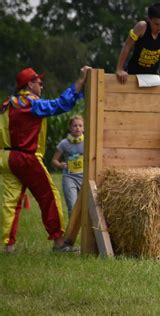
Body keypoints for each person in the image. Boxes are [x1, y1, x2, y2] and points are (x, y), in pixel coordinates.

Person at [0, 65, 91, 253]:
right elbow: (60, 105)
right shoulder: (32, 103)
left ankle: (8, 247)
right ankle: (59, 243)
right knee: (48, 196)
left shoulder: (7, 103)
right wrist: (80, 81)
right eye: (39, 82)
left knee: (11, 202)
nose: (42, 85)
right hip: (27, 158)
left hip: (6, 157)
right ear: (30, 84)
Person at [115, 2, 160, 86]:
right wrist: (119, 69)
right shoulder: (141, 27)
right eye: (156, 24)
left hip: (152, 75)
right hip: (133, 73)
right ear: (149, 19)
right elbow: (127, 46)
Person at [51, 115, 85, 219]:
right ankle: (72, 232)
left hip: (85, 178)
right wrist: (60, 165)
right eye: (75, 126)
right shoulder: (64, 143)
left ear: (84, 128)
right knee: (73, 207)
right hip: (69, 178)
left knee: (86, 207)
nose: (77, 128)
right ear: (70, 128)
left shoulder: (88, 142)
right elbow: (53, 161)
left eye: (80, 125)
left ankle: (84, 230)